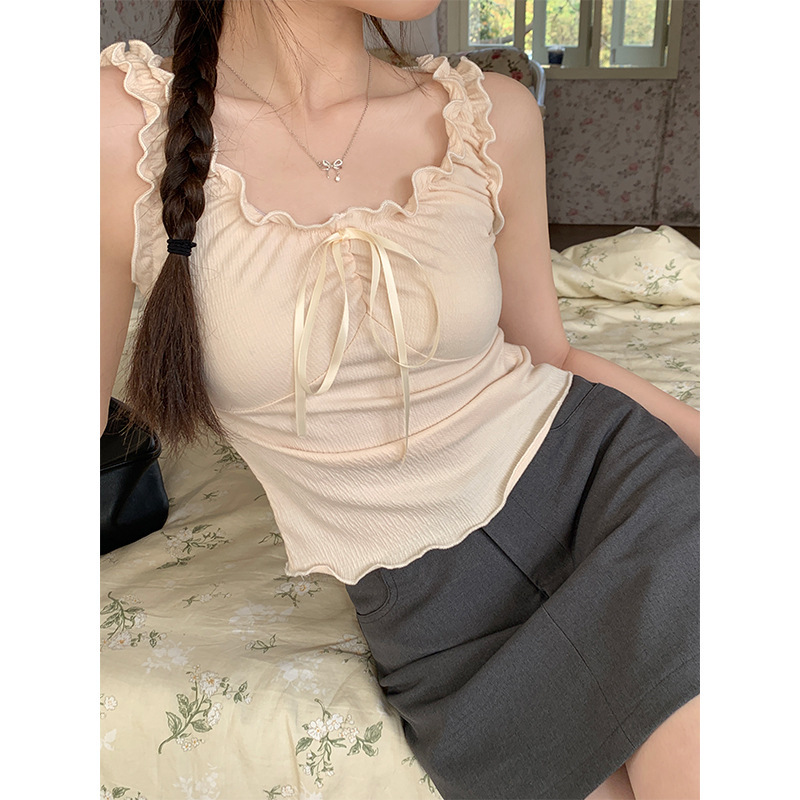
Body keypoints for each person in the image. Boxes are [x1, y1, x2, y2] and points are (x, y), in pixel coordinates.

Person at [100, 1, 700, 798]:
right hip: (430, 612)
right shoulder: (117, 126)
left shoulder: (491, 115)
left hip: (611, 490)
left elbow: (551, 355)